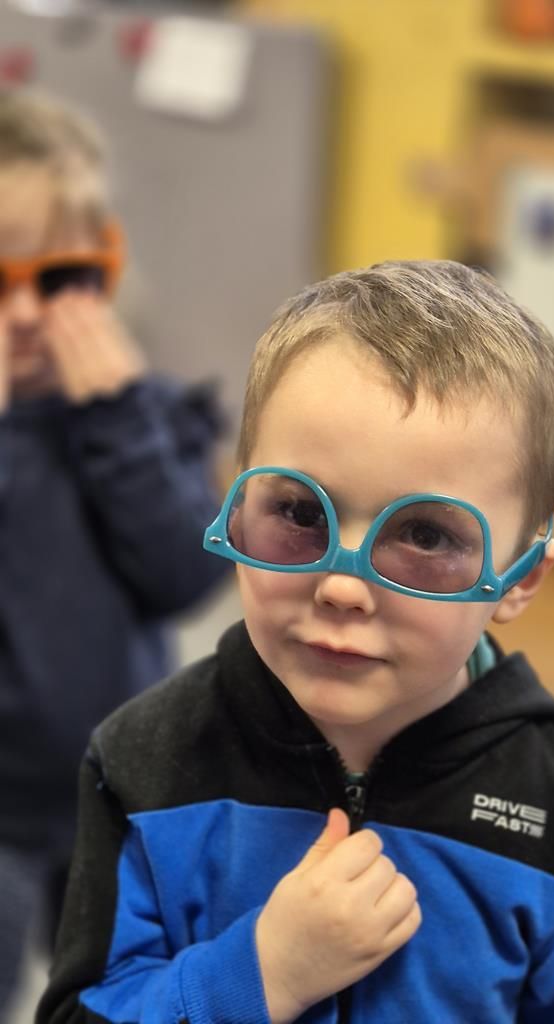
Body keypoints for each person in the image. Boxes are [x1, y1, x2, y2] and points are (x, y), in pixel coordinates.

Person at [37, 260, 554, 1023]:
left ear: (519, 581)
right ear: (234, 512)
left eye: (426, 535)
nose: (342, 586)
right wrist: (258, 974)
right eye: (300, 513)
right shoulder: (142, 764)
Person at [0, 89, 230, 1017]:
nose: (25, 313)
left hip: (121, 789)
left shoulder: (145, 414)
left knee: (116, 993)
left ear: (106, 264)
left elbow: (185, 574)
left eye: (58, 277)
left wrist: (122, 423)